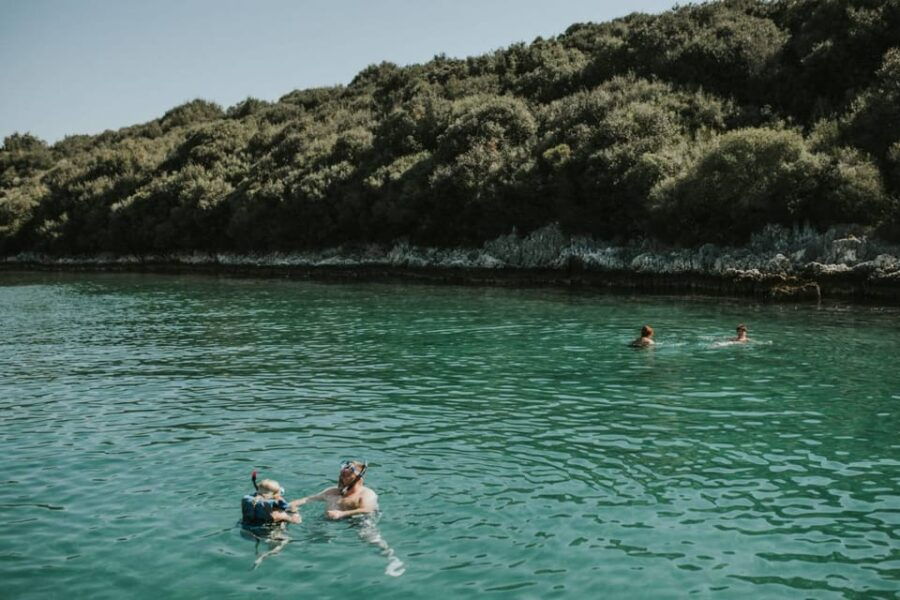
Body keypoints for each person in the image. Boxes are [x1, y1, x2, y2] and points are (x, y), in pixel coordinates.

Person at [294, 461, 378, 520]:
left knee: (370, 537)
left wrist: (342, 514)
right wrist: (287, 506)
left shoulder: (366, 494)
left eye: (346, 475)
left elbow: (368, 510)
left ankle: (384, 545)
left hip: (359, 521)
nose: (341, 478)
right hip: (329, 521)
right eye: (341, 475)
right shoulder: (333, 491)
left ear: (357, 478)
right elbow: (309, 499)